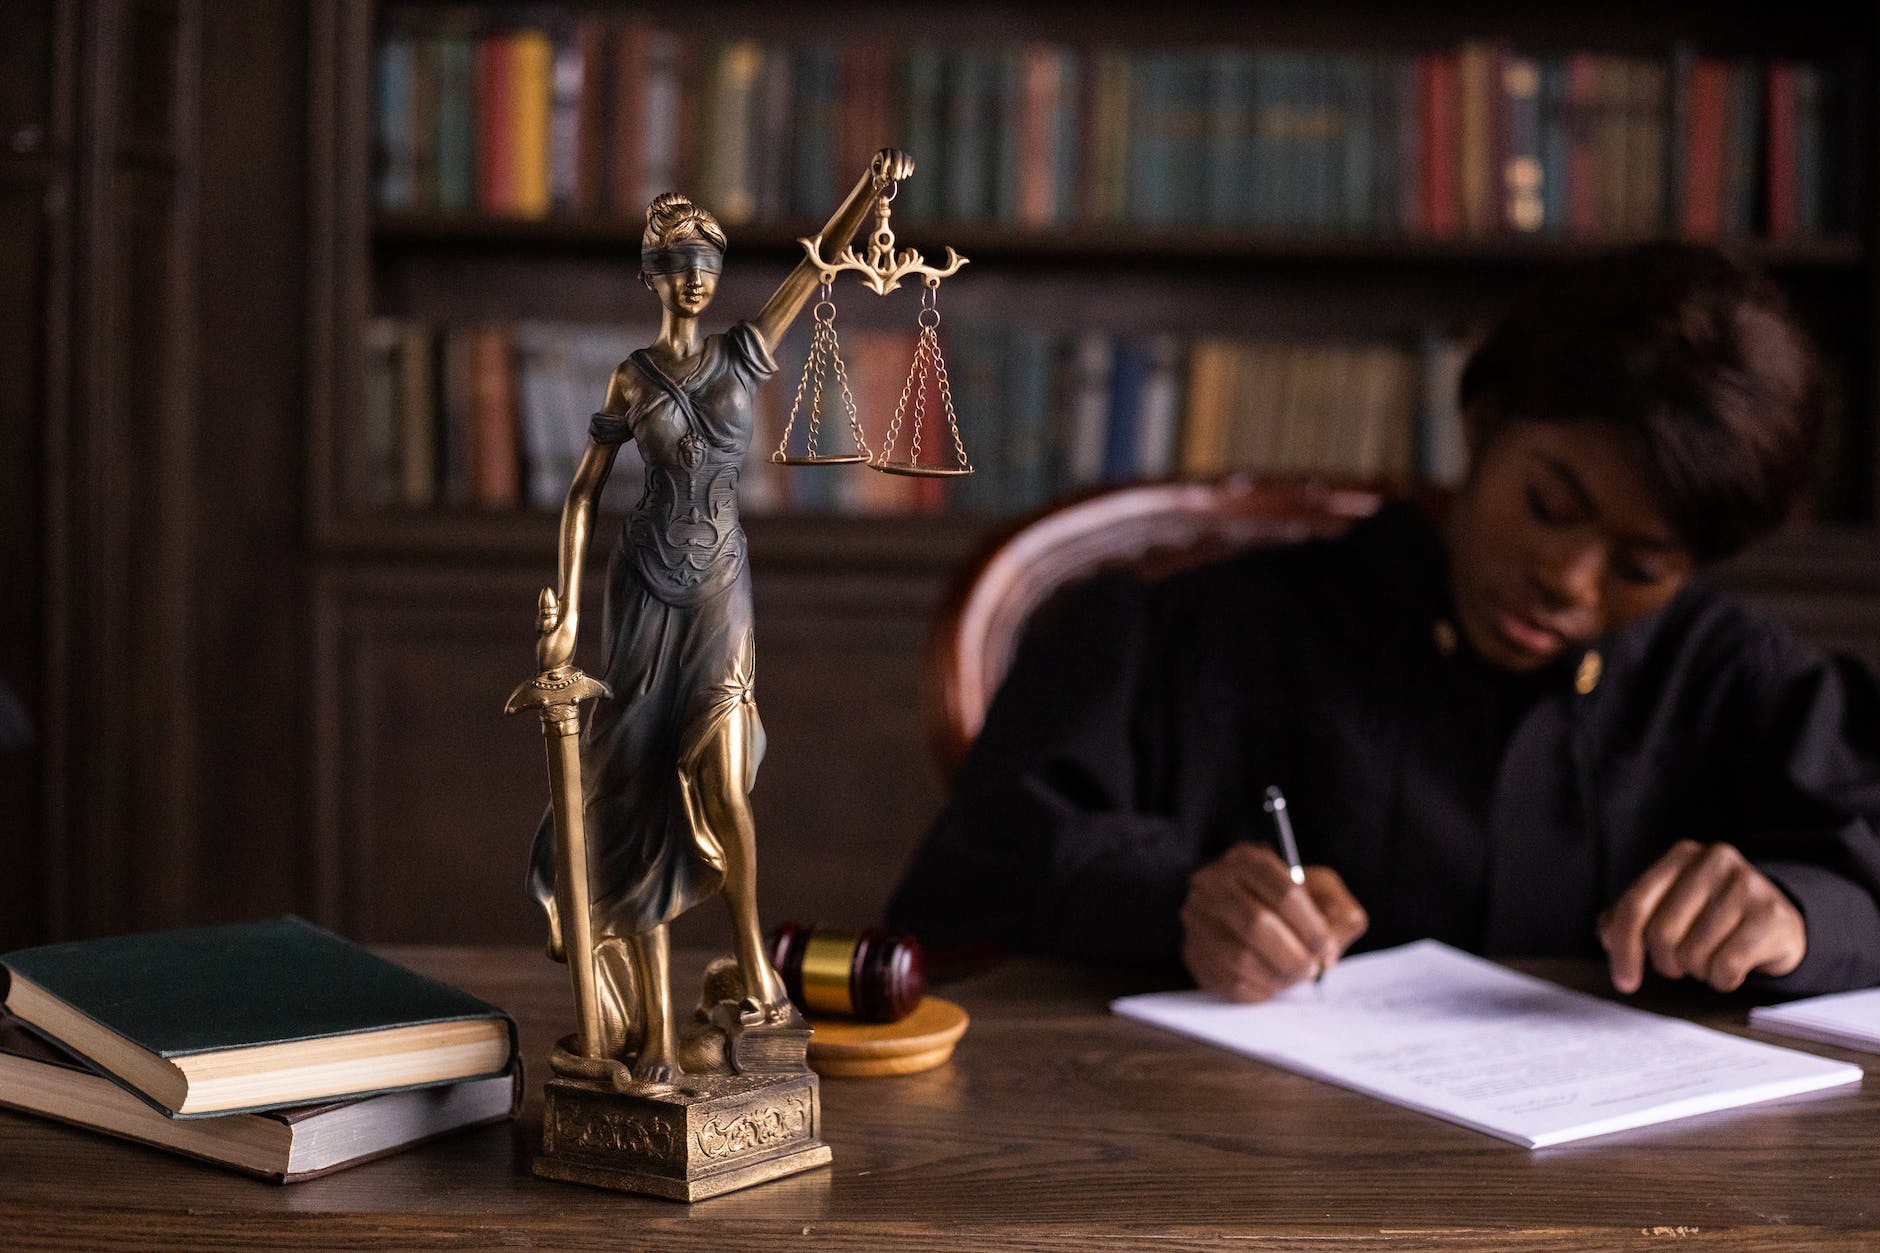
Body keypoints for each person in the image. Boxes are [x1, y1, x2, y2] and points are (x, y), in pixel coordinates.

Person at [886, 242, 1880, 1002]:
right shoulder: (1189, 631)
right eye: (1547, 504)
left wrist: (1792, 913)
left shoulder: (1739, 681)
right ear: (1483, 423)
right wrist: (1177, 897)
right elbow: (966, 880)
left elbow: (1857, 862)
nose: (1565, 580)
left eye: (1639, 565)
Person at [526, 151, 912, 1083]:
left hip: (722, 593)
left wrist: (873, 189)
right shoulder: (630, 377)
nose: (694, 275)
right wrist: (565, 616)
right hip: (642, 597)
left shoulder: (747, 348)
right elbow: (583, 495)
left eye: (707, 259)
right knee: (643, 799)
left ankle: (753, 965)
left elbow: (820, 263)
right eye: (676, 262)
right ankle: (657, 1030)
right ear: (650, 276)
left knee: (726, 781)